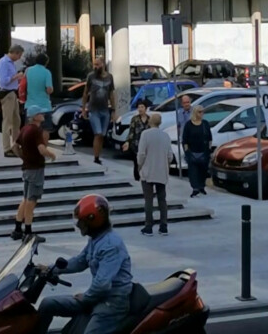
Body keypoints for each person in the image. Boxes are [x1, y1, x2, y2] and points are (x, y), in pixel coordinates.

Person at [36, 195, 133, 334]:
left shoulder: (111, 245)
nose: (78, 225)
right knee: (47, 305)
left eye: (82, 222)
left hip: (112, 302)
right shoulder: (96, 239)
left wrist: (87, 297)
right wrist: (51, 268)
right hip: (96, 297)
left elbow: (102, 284)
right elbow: (80, 261)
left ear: (93, 220)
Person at [12, 106, 58, 241]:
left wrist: (23, 157)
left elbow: (14, 147)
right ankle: (28, 232)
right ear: (34, 117)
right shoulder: (36, 131)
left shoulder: (25, 129)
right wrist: (52, 155)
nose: (42, 114)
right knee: (32, 201)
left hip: (26, 168)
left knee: (25, 199)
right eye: (39, 113)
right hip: (36, 169)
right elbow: (42, 149)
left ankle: (17, 229)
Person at [137, 113, 170, 236]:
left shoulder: (145, 134)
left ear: (150, 121)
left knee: (148, 199)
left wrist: (139, 166)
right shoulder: (165, 136)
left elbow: (141, 154)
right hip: (161, 171)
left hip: (148, 170)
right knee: (162, 199)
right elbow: (170, 155)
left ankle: (148, 226)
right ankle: (163, 226)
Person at [82, 57, 115, 165]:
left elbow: (112, 94)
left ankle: (98, 155)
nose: (95, 67)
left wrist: (114, 110)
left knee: (102, 135)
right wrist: (83, 109)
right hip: (93, 109)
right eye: (94, 65)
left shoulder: (110, 77)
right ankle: (95, 158)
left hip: (105, 109)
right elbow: (85, 92)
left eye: (97, 64)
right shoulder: (91, 76)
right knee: (98, 133)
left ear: (103, 65)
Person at [0, 45, 25, 157]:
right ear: (15, 53)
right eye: (19, 55)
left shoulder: (10, 63)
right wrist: (16, 77)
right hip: (7, 93)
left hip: (13, 93)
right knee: (7, 121)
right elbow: (4, 81)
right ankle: (7, 148)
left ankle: (15, 145)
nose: (19, 58)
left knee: (16, 120)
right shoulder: (4, 63)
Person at [181, 105, 212, 197]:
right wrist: (187, 152)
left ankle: (201, 186)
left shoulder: (205, 123)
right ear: (195, 112)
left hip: (204, 151)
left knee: (203, 171)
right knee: (193, 171)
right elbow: (185, 139)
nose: (202, 113)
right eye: (199, 111)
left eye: (202, 111)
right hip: (192, 151)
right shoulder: (188, 125)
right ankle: (195, 188)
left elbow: (209, 138)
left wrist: (209, 149)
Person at [25, 53, 55, 132]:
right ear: (46, 62)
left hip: (30, 105)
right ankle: (43, 144)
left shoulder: (28, 70)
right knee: (45, 130)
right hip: (44, 105)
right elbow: (49, 90)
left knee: (30, 130)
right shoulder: (46, 72)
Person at [122, 102, 150, 181]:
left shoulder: (149, 119)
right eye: (139, 107)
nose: (140, 109)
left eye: (142, 107)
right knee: (137, 163)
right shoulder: (135, 119)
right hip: (136, 144)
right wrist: (127, 142)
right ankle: (137, 178)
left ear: (146, 108)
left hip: (146, 145)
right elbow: (131, 131)